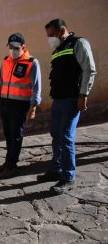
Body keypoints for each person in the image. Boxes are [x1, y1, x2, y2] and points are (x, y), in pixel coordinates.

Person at [37, 19, 96, 195]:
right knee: (56, 135)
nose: (50, 39)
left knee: (66, 137)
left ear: (62, 30)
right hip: (58, 100)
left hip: (72, 99)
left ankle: (68, 176)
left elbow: (89, 69)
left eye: (51, 35)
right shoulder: (58, 49)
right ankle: (55, 168)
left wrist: (83, 95)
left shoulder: (78, 43)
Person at [0, 33, 42, 179]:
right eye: (10, 47)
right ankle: (8, 162)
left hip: (19, 105)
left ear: (23, 47)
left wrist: (33, 107)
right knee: (8, 134)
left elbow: (36, 87)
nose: (13, 50)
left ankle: (12, 166)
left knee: (15, 135)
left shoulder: (31, 62)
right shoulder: (6, 61)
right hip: (5, 103)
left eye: (16, 48)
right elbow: (0, 82)